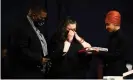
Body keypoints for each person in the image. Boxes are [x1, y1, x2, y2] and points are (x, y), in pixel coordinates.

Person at [8, 5, 50, 79]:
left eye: (44, 18)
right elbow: (21, 50)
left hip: (36, 69)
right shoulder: (22, 27)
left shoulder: (34, 25)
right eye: (41, 17)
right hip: (26, 72)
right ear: (33, 15)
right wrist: (39, 59)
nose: (43, 20)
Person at [92, 10, 133, 77]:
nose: (106, 27)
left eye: (108, 24)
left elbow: (115, 56)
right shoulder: (112, 37)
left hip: (117, 74)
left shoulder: (122, 38)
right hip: (110, 72)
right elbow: (109, 52)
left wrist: (98, 53)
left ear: (115, 23)